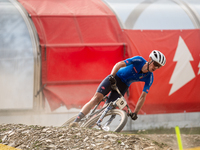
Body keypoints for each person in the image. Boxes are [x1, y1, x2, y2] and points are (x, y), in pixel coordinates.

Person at [69, 50, 166, 127]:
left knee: (106, 110)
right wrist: (112, 76)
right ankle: (76, 120)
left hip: (123, 86)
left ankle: (89, 126)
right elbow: (119, 64)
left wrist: (135, 113)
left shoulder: (150, 77)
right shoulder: (139, 60)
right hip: (115, 77)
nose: (156, 67)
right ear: (150, 60)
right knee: (96, 98)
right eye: (155, 64)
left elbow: (143, 97)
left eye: (159, 66)